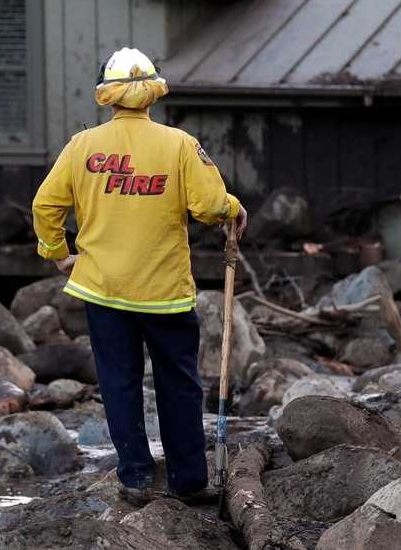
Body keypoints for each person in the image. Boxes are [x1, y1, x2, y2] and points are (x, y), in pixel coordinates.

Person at [31, 47, 247, 503]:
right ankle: (188, 482)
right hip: (164, 293)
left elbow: (45, 206)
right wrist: (234, 207)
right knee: (179, 384)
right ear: (153, 94)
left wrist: (57, 252)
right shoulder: (180, 145)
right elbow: (209, 207)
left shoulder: (82, 146)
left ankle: (135, 477)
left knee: (119, 382)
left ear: (107, 97)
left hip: (103, 289)